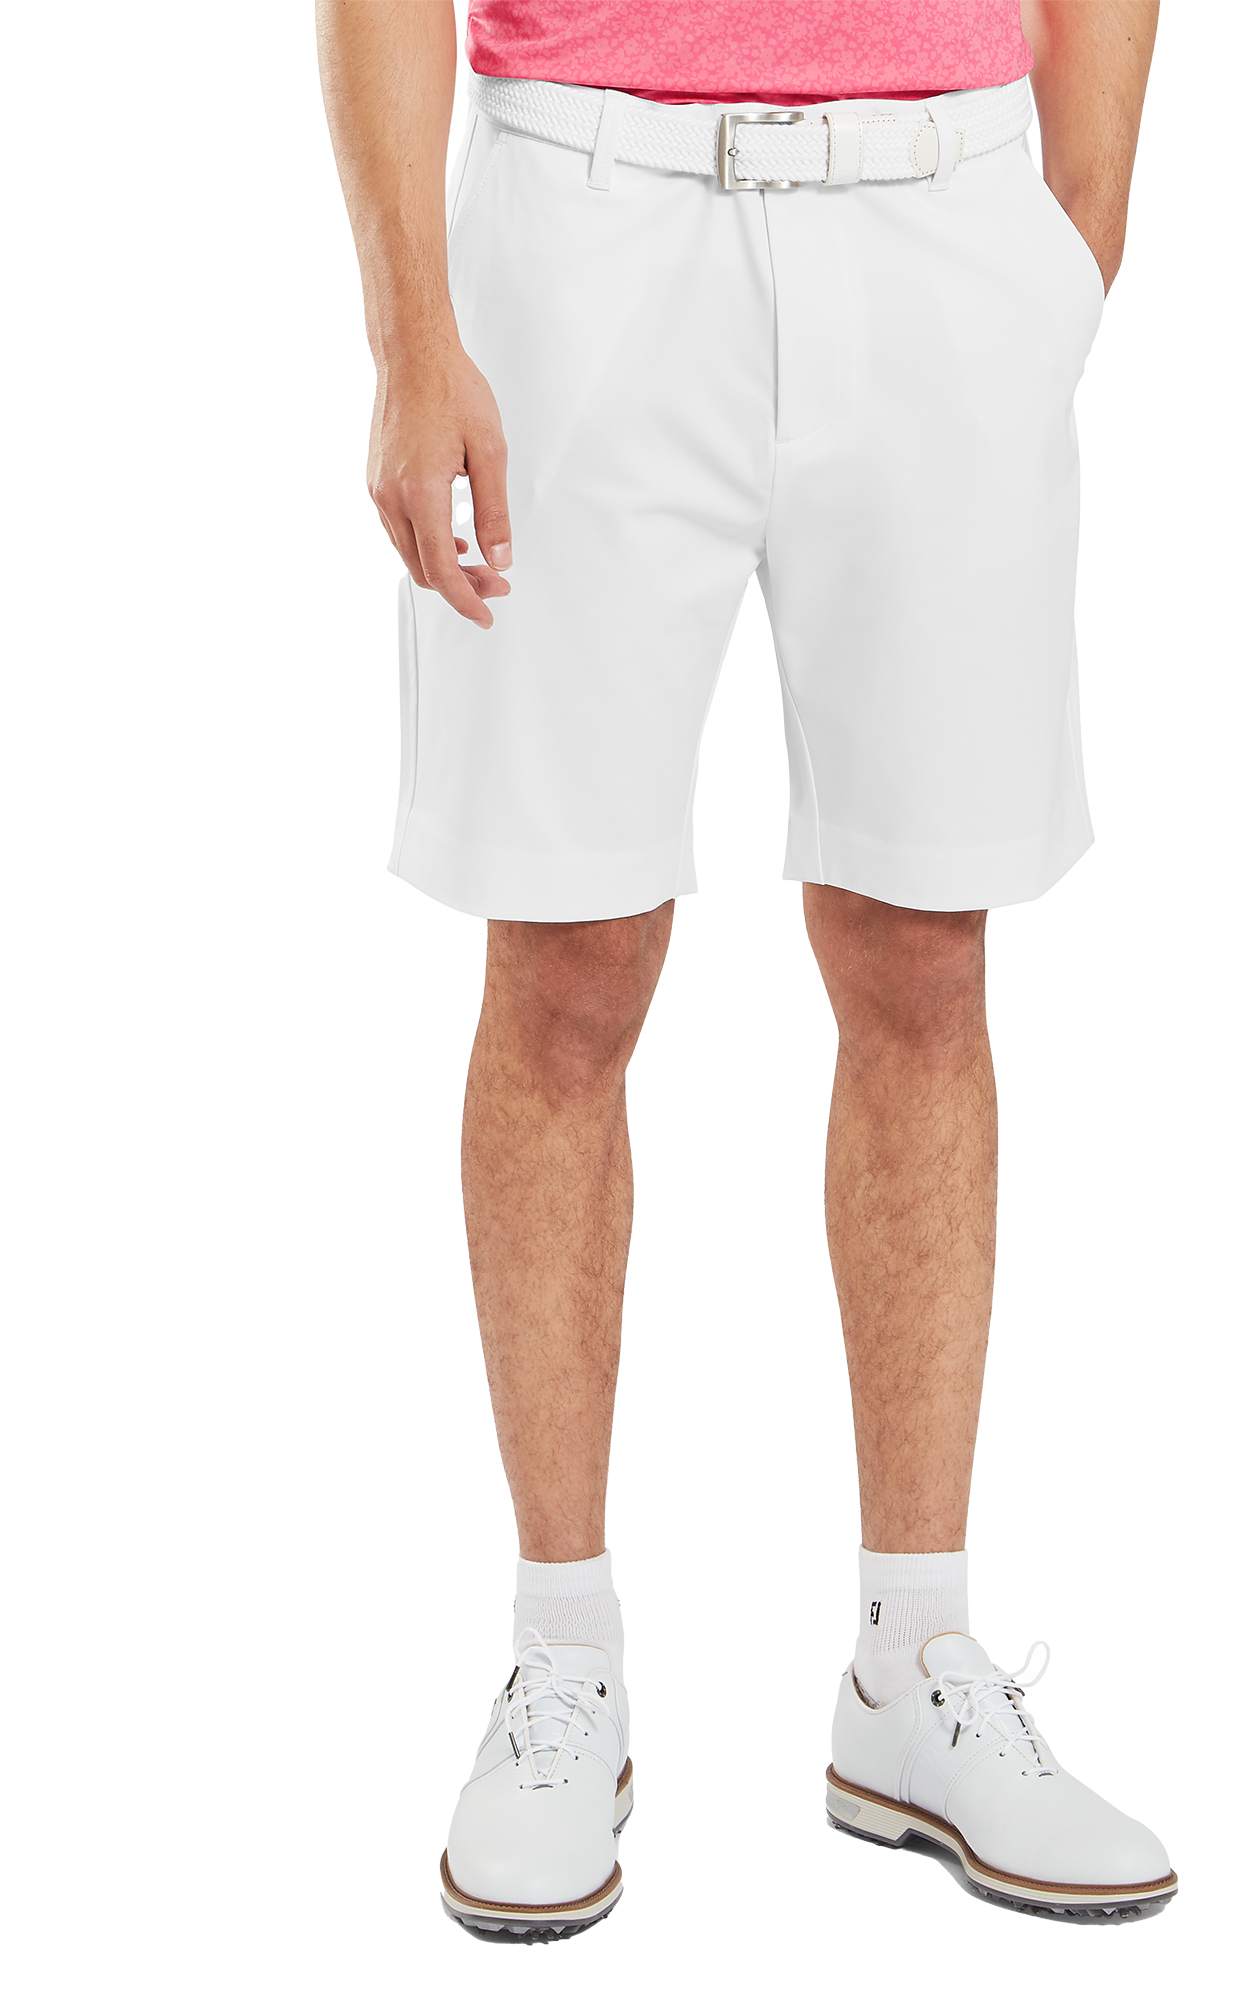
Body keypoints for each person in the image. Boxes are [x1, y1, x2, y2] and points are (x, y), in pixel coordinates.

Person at [317, 0, 1169, 1935]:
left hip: (946, 207)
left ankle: (913, 1663)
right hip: (584, 217)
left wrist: (1081, 216)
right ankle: (563, 1661)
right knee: (569, 959)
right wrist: (408, 326)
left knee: (923, 947)